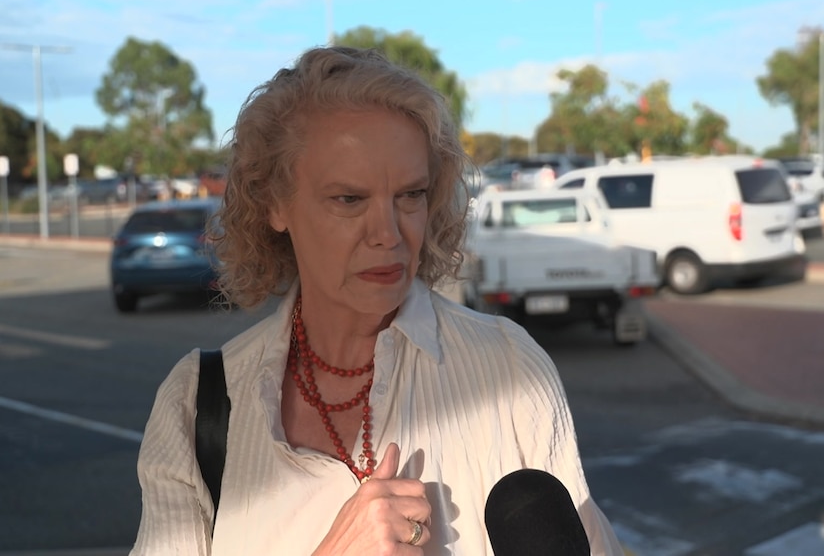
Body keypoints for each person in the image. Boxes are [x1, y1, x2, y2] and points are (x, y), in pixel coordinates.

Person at [130, 46, 624, 555]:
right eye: (349, 199)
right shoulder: (198, 406)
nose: (388, 233)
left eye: (410, 195)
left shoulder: (511, 370)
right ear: (275, 202)